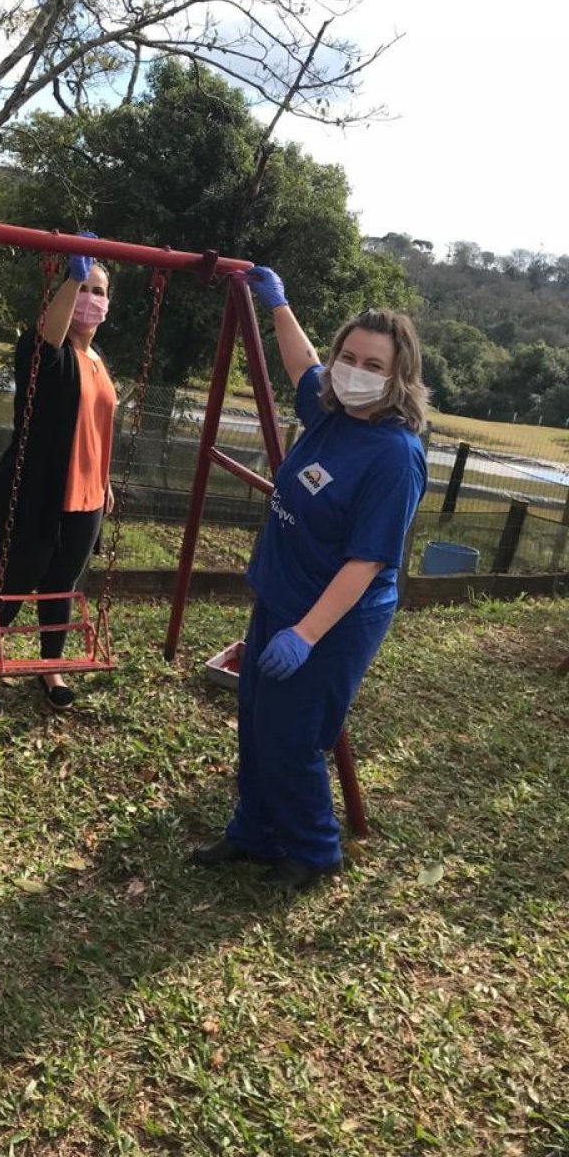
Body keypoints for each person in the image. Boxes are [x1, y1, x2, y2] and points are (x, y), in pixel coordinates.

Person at [193, 265, 428, 890]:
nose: (354, 371)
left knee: (294, 736)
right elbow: (301, 365)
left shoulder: (394, 455)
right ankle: (253, 832)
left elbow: (367, 561)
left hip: (334, 618)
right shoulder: (331, 412)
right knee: (254, 718)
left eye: (373, 365)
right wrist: (277, 303)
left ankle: (313, 851)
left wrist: (306, 635)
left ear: (398, 377)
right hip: (280, 592)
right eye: (348, 357)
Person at [0, 235, 117, 715]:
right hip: (33, 495)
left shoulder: (98, 360)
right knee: (12, 586)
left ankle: (50, 666)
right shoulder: (42, 352)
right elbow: (48, 340)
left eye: (99, 290)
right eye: (83, 288)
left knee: (62, 588)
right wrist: (72, 276)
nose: (90, 299)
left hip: (87, 498)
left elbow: (95, 429)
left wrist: (105, 481)